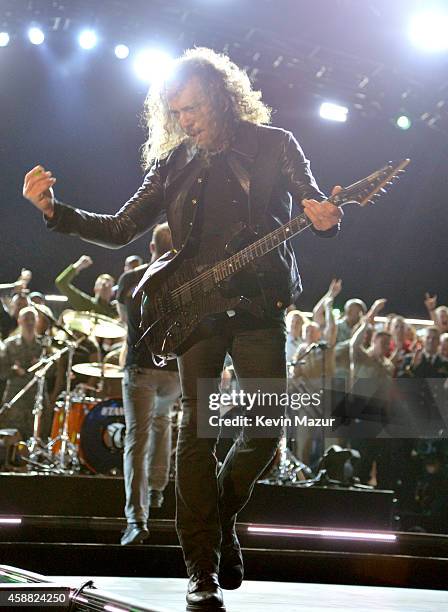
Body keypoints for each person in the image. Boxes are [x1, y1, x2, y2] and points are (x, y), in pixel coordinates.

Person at [23, 47, 341, 611]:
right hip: (194, 313)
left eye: (192, 108)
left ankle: (217, 518)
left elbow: (314, 200)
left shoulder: (275, 144)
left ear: (221, 97)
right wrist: (55, 211)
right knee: (197, 436)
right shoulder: (174, 163)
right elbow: (121, 228)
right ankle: (201, 569)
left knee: (266, 430)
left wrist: (323, 219)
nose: (186, 120)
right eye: (177, 112)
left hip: (260, 305)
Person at [117, 223, 180, 545]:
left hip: (140, 368)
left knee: (136, 440)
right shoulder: (182, 276)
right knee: (162, 422)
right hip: (173, 372)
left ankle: (136, 519)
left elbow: (123, 321)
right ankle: (157, 488)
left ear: (151, 247)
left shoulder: (130, 279)